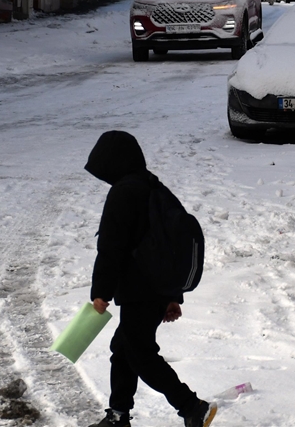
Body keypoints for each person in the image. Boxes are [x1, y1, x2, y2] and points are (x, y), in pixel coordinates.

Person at [85, 130, 217, 427]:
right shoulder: (153, 186)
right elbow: (172, 244)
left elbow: (110, 248)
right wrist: (171, 295)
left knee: (140, 353)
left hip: (139, 289)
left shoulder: (123, 192)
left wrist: (101, 293)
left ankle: (191, 406)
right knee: (124, 348)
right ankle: (118, 414)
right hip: (155, 288)